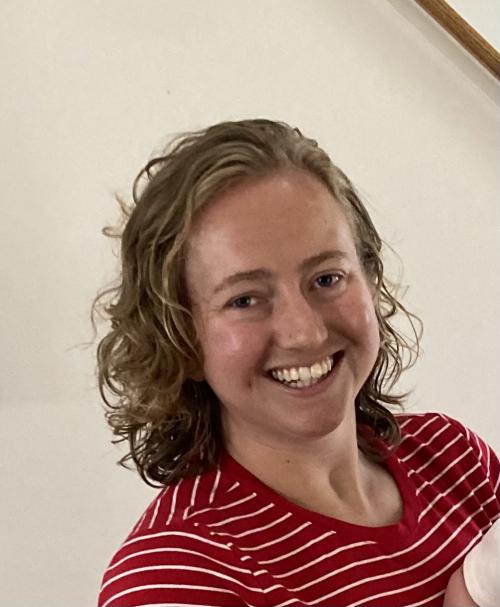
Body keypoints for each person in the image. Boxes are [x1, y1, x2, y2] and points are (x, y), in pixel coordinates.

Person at [93, 119, 499, 607]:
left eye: (327, 278)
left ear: (371, 281)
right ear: (180, 339)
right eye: (245, 300)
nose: (305, 332)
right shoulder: (174, 578)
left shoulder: (455, 458)